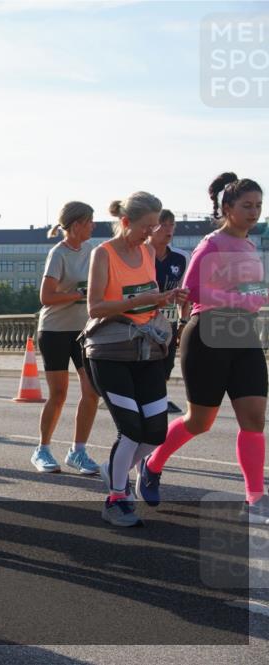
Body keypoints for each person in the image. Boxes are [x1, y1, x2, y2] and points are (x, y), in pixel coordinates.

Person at [137, 174, 267, 524]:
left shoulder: (251, 246)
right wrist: (243, 298)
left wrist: (256, 298)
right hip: (208, 334)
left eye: (258, 205)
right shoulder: (211, 245)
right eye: (247, 206)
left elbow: (250, 291)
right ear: (227, 208)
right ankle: (152, 464)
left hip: (243, 335)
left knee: (254, 418)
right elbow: (192, 290)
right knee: (200, 421)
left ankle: (255, 497)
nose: (254, 212)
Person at [83, 192, 188, 527]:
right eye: (146, 226)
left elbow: (147, 302)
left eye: (155, 226)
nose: (151, 233)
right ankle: (116, 498)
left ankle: (114, 469)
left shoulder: (145, 252)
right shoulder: (103, 253)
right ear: (126, 222)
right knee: (130, 429)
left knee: (156, 431)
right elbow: (95, 308)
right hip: (110, 352)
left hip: (146, 351)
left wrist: (165, 299)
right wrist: (138, 301)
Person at [31, 202, 101, 475]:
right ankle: (43, 449)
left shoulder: (93, 252)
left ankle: (78, 451)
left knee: (92, 390)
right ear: (76, 225)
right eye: (90, 221)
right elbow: (46, 297)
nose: (93, 226)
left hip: (84, 330)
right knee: (58, 394)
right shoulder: (57, 254)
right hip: (55, 330)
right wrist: (77, 295)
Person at [147, 209, 191, 414]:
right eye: (162, 225)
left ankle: (160, 398)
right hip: (143, 319)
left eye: (171, 225)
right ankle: (147, 398)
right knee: (144, 360)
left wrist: (184, 322)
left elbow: (186, 294)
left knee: (167, 361)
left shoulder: (181, 257)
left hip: (170, 320)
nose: (168, 229)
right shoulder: (140, 254)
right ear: (151, 227)